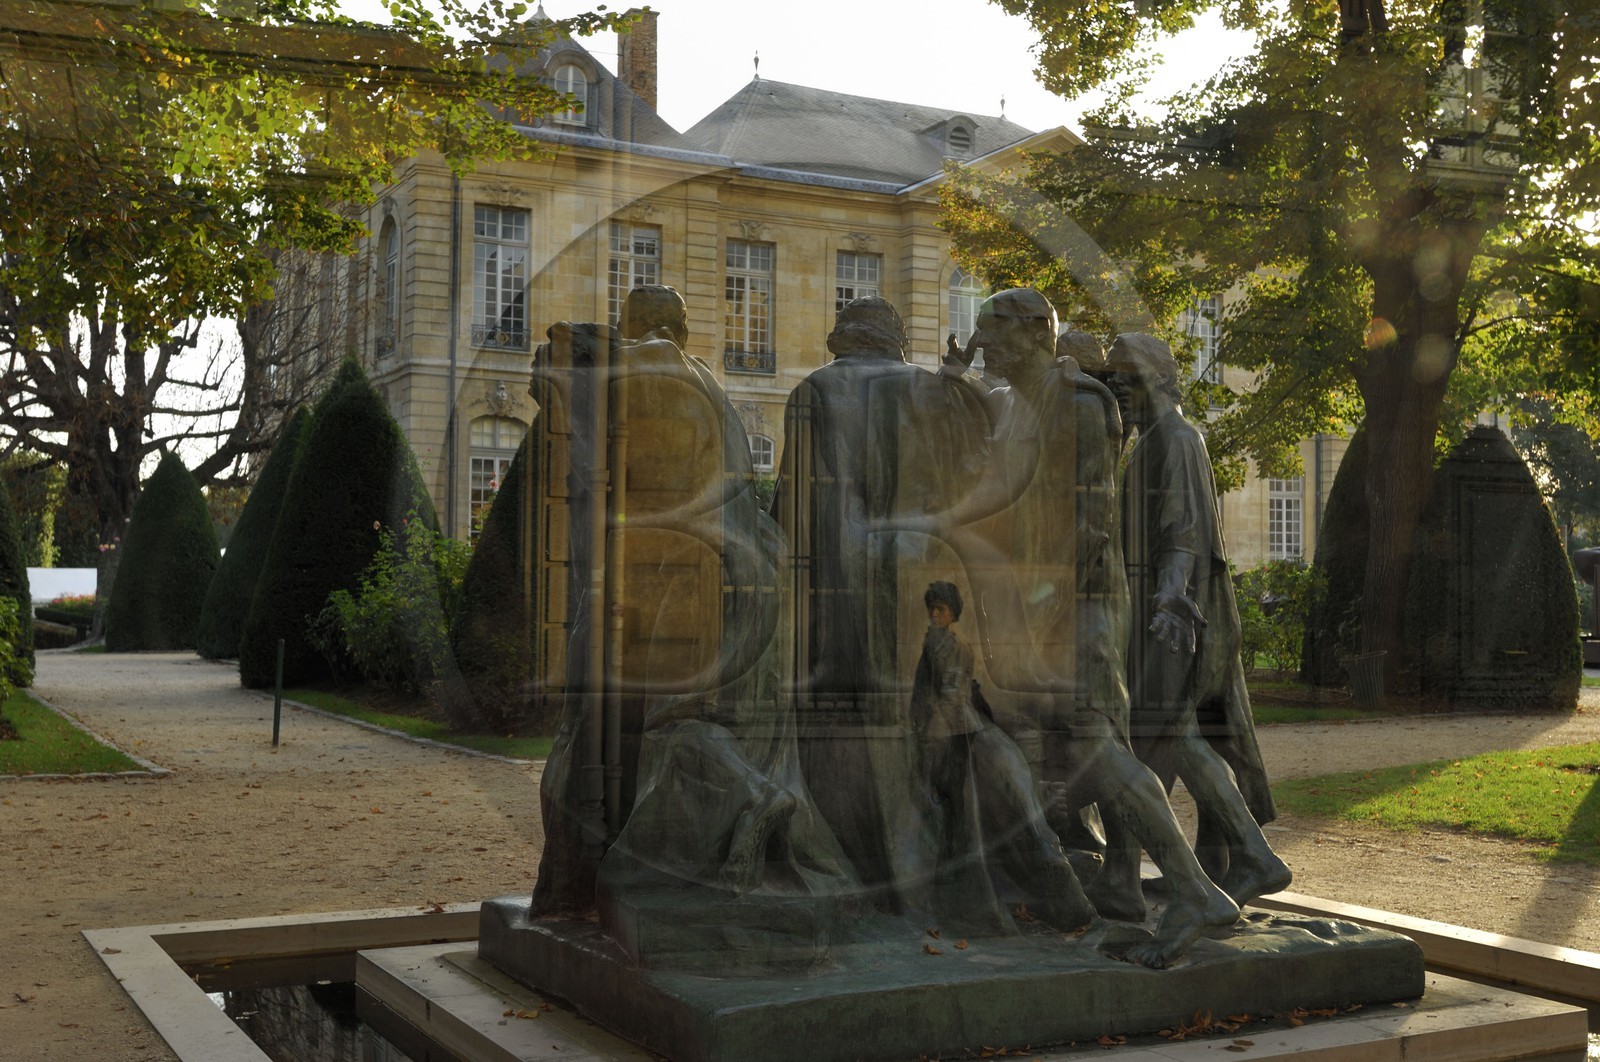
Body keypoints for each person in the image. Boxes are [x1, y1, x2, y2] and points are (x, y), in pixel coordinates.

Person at [944, 288, 1239, 968]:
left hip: (1079, 608)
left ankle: (1196, 889)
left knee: (1096, 744)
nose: (979, 338)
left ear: (1028, 332)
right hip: (1041, 607)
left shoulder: (1079, 405)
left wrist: (1045, 607)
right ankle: (1127, 883)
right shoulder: (1022, 407)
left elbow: (1088, 524)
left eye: (988, 326)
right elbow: (999, 491)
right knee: (1073, 744)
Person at [772, 296, 991, 908]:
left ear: (844, 337)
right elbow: (974, 468)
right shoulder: (925, 387)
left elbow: (797, 505)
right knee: (928, 716)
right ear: (893, 339)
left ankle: (876, 867)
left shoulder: (815, 391)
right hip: (930, 565)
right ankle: (939, 866)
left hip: (847, 575)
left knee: (860, 720)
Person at [1097, 332, 1291, 909]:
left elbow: (1184, 535)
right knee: (1163, 734)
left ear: (1157, 377)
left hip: (1178, 613)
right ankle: (1189, 867)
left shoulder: (1178, 439)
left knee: (1169, 731)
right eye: (1112, 379)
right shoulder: (1151, 439)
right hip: (1164, 607)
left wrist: (1168, 600)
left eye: (1126, 377)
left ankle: (1254, 856)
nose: (1117, 389)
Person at [908, 580, 1094, 933]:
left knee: (957, 811)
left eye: (941, 609)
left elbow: (951, 692)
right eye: (932, 608)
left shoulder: (953, 646)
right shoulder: (933, 641)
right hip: (946, 732)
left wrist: (932, 730)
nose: (935, 614)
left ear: (953, 613)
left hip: (954, 734)